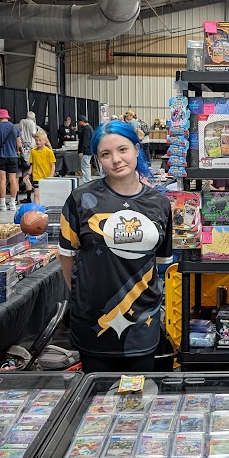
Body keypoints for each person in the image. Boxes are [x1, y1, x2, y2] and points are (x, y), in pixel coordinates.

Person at [58, 120, 172, 372]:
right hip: (94, 321)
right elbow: (67, 256)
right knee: (96, 401)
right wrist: (83, 296)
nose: (116, 160)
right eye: (106, 154)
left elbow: (162, 264)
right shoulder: (81, 200)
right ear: (98, 160)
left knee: (139, 399)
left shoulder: (160, 203)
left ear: (136, 149)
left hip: (142, 321)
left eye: (123, 150)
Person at [0, 109, 21, 211]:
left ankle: (2, 204)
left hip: (0, 156)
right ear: (7, 117)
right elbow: (19, 144)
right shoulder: (15, 127)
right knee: (13, 180)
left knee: (2, 180)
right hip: (12, 156)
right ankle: (12, 203)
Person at [28, 130, 57, 203]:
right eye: (36, 140)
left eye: (40, 140)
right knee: (36, 194)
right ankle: (36, 209)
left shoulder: (49, 152)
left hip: (46, 177)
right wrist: (28, 174)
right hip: (36, 176)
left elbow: (52, 165)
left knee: (46, 194)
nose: (38, 142)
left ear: (45, 141)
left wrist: (51, 176)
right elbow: (32, 164)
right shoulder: (33, 151)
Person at [77, 115, 94, 183]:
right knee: (86, 166)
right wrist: (77, 132)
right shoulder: (88, 128)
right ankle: (87, 180)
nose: (78, 124)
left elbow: (85, 141)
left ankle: (87, 181)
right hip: (89, 150)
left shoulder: (86, 129)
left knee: (85, 167)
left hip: (86, 151)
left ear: (82, 121)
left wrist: (81, 151)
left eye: (78, 122)